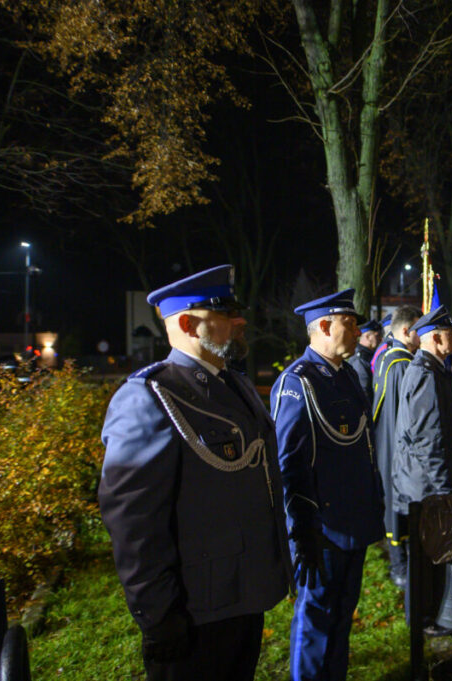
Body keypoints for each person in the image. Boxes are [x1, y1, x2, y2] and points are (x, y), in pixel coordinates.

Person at [100, 265, 292, 681]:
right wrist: (158, 614)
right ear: (188, 324)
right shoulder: (150, 397)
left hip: (242, 594)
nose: (240, 320)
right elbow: (133, 522)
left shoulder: (235, 385)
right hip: (193, 610)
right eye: (225, 312)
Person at [270, 289, 385, 681]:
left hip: (354, 521)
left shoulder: (346, 375)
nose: (356, 331)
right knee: (316, 618)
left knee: (342, 615)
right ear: (322, 326)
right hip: (322, 528)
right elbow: (287, 464)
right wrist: (299, 531)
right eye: (348, 324)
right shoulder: (296, 382)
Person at [391, 305, 452, 636]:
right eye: (451, 333)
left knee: (431, 558)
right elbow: (428, 441)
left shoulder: (433, 369)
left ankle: (429, 615)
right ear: (436, 339)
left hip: (426, 486)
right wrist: (446, 492)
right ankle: (422, 622)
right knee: (425, 562)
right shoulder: (425, 374)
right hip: (425, 489)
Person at [370, 305, 422, 588]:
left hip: (386, 440)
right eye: (418, 329)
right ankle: (400, 567)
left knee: (393, 502)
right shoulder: (402, 364)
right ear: (405, 330)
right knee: (398, 505)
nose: (421, 335)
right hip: (396, 444)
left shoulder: (386, 356)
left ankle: (400, 563)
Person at [346, 319, 381, 403]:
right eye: (377, 336)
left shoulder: (368, 355)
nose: (380, 339)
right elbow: (363, 391)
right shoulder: (360, 359)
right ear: (368, 337)